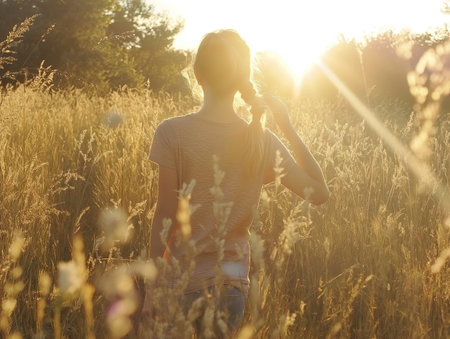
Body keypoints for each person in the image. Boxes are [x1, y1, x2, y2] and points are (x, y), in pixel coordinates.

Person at [146, 29, 329, 336]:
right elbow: (320, 192)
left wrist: (154, 286)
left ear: (198, 74)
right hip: (230, 288)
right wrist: (287, 126)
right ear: (242, 77)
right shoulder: (261, 140)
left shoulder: (171, 132)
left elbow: (164, 214)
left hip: (181, 284)